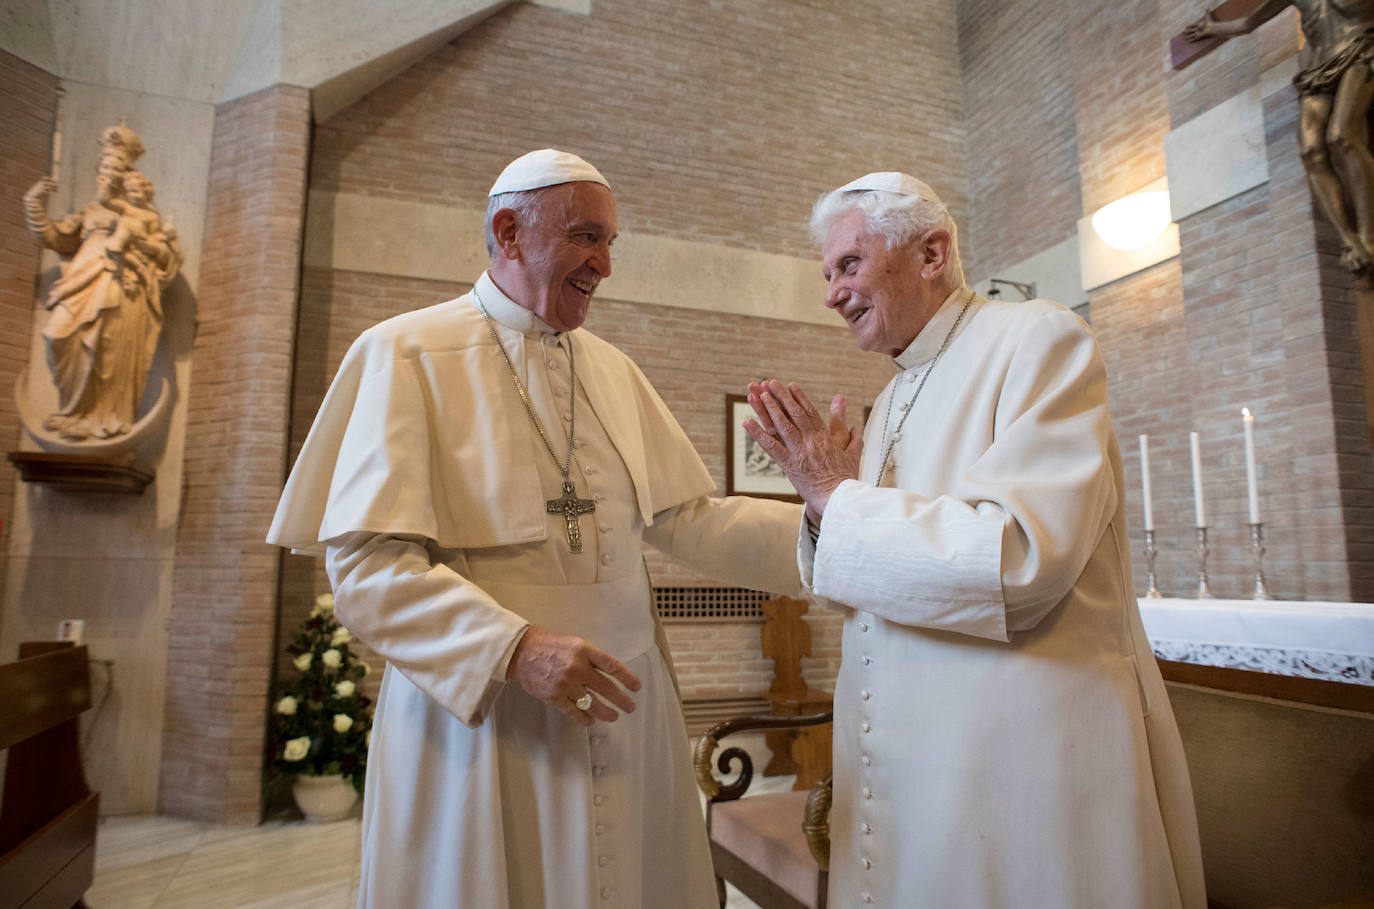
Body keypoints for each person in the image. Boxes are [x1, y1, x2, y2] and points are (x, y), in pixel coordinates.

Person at [267, 149, 803, 909]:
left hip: (625, 707)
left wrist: (826, 524)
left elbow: (688, 518)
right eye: (588, 237)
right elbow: (368, 570)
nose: (605, 265)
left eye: (612, 243)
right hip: (486, 720)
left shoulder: (613, 369)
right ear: (509, 231)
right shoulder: (405, 352)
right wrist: (513, 648)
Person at [743, 172, 1207, 908]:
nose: (832, 291)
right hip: (919, 762)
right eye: (827, 273)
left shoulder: (1037, 339)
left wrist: (838, 496)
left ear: (932, 252)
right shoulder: (896, 390)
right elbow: (887, 574)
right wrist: (825, 508)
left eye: (850, 264)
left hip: (1020, 767)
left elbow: (1020, 556)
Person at [1186, 0, 1374, 273]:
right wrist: (1213, 27)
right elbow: (1250, 22)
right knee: (1310, 150)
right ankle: (1348, 240)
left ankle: (1369, 235)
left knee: (1341, 135)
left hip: (1360, 52)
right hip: (1318, 69)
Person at [22, 127, 182, 440]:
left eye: (115, 169)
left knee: (109, 351)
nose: (106, 175)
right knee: (58, 335)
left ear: (126, 175)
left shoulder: (143, 214)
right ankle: (72, 411)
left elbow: (168, 256)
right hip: (81, 282)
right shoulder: (90, 212)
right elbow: (54, 237)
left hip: (123, 288)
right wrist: (33, 204)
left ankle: (104, 417)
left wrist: (140, 244)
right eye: (104, 168)